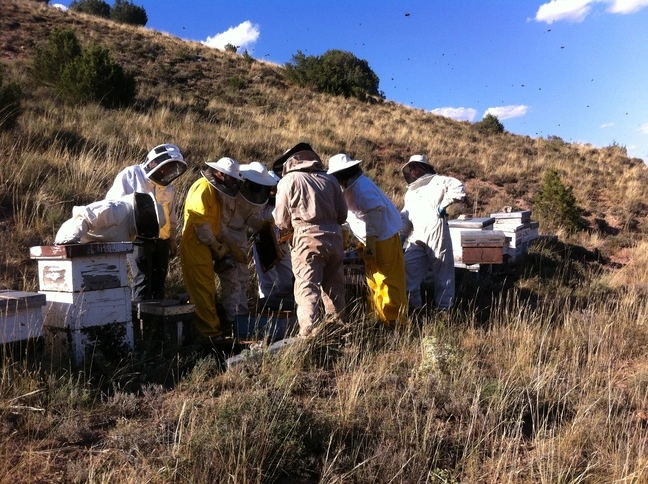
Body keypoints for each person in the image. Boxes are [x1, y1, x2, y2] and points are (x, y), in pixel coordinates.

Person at [272, 143, 348, 338]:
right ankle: (338, 331)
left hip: (306, 238)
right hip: (335, 238)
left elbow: (281, 219)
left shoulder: (289, 180)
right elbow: (343, 215)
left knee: (307, 287)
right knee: (334, 287)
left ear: (290, 162)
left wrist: (290, 232)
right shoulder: (330, 179)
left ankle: (309, 333)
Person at [327, 153, 407, 326]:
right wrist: (348, 237)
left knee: (388, 280)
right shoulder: (351, 187)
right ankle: (380, 316)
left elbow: (374, 213)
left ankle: (394, 322)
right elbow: (352, 216)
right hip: (372, 240)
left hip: (383, 239)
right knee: (374, 279)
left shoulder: (361, 188)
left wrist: (370, 242)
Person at [106, 143, 187, 301]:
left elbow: (171, 215)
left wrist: (172, 239)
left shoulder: (168, 188)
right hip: (139, 239)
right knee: (142, 281)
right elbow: (113, 206)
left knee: (159, 283)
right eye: (165, 167)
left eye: (170, 169)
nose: (166, 172)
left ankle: (155, 316)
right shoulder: (130, 175)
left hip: (162, 240)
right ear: (153, 163)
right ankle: (140, 316)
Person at [180, 157, 243, 339]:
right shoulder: (203, 188)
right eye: (232, 179)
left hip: (205, 245)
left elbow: (217, 224)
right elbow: (200, 222)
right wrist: (215, 244)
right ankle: (210, 334)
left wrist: (231, 245)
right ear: (221, 174)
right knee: (203, 290)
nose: (234, 183)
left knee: (208, 289)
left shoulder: (215, 192)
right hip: (195, 245)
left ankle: (210, 329)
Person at [400, 154, 465, 312]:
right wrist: (402, 235)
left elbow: (458, 188)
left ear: (424, 167)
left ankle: (444, 310)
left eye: (415, 166)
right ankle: (414, 307)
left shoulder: (439, 181)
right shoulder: (411, 192)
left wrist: (444, 204)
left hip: (436, 230)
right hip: (416, 235)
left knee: (442, 271)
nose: (413, 170)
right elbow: (407, 216)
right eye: (411, 167)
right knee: (408, 269)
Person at [218, 161, 278, 324]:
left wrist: (261, 224)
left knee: (243, 278)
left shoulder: (254, 196)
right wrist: (231, 246)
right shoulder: (230, 192)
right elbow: (222, 223)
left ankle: (242, 318)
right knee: (231, 280)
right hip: (225, 237)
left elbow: (247, 216)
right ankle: (232, 321)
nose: (259, 189)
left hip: (240, 235)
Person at [54, 192, 163, 245]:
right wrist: (70, 240)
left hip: (89, 249)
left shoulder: (129, 233)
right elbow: (85, 219)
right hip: (69, 236)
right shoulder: (118, 210)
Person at [251, 170, 294, 301]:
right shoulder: (257, 203)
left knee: (287, 277)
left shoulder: (283, 201)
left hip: (283, 243)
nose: (273, 192)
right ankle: (268, 306)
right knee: (267, 281)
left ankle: (287, 305)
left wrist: (284, 239)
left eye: (275, 188)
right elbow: (251, 220)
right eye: (270, 188)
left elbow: (291, 222)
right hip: (264, 243)